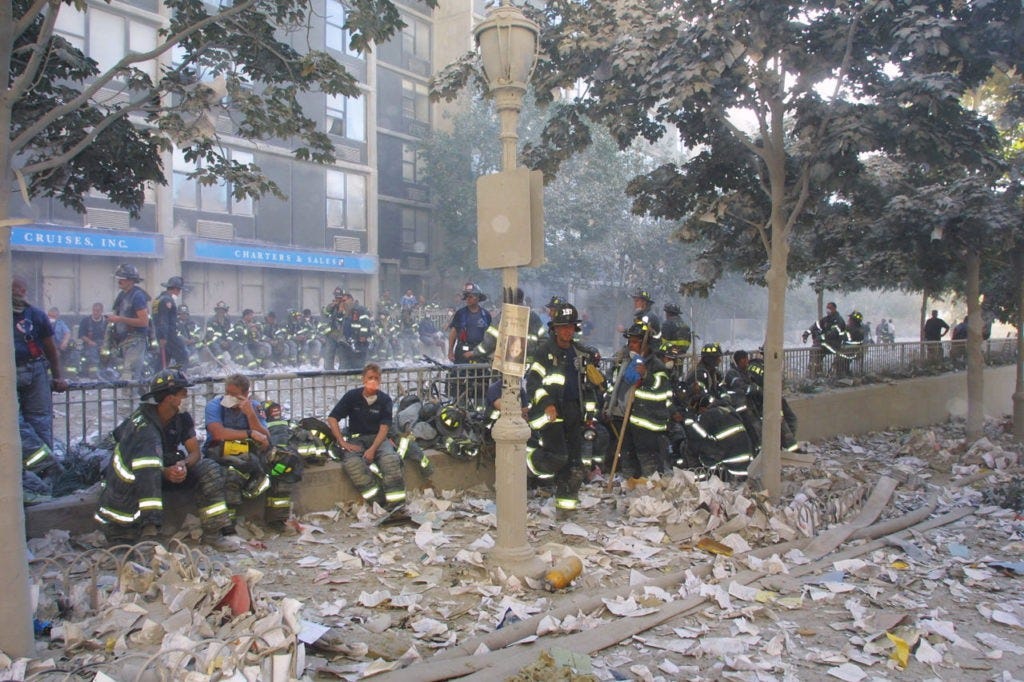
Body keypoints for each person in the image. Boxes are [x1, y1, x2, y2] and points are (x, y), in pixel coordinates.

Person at [94, 369, 236, 547]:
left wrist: (182, 465)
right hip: (131, 484)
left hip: (164, 469)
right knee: (150, 468)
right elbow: (144, 467)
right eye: (183, 393)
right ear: (170, 397)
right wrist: (165, 472)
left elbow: (195, 453)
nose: (187, 397)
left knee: (209, 469)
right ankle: (150, 534)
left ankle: (214, 534)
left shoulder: (181, 418)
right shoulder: (143, 426)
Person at [525, 304, 600, 514]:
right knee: (558, 457)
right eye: (563, 327)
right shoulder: (544, 352)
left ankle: (566, 508)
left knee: (575, 465)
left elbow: (590, 387)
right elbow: (532, 384)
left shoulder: (581, 354)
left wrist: (590, 415)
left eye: (571, 327)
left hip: (575, 413)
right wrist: (547, 403)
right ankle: (529, 464)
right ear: (555, 329)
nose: (567, 331)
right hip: (552, 414)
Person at [327, 363, 406, 509]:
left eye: (376, 378)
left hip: (379, 439)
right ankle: (378, 502)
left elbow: (384, 427)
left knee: (390, 461)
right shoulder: (352, 396)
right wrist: (342, 443)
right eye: (370, 377)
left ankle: (397, 505)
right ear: (363, 379)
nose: (373, 381)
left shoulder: (385, 400)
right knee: (353, 465)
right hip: (356, 439)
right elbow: (332, 418)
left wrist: (373, 449)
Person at [13, 276, 67, 481]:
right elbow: (51, 348)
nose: (18, 291)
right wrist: (57, 376)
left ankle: (45, 470)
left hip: (33, 372)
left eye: (20, 287)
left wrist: (58, 377)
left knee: (26, 422)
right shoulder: (35, 314)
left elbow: (51, 348)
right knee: (20, 422)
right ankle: (47, 468)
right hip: (30, 371)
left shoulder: (35, 315)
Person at [601, 321, 672, 479]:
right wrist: (609, 405)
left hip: (647, 421)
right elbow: (617, 385)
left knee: (646, 456)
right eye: (629, 341)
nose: (631, 345)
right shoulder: (626, 363)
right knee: (627, 453)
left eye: (635, 342)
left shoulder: (656, 366)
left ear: (645, 344)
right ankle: (630, 486)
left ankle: (651, 487)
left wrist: (646, 376)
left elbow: (661, 388)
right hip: (625, 418)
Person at [204, 374, 273, 527]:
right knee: (234, 470)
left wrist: (250, 415)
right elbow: (218, 433)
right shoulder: (215, 406)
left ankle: (276, 519)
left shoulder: (255, 406)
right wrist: (248, 433)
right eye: (227, 393)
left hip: (247, 451)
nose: (229, 397)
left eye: (234, 395)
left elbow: (265, 436)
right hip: (219, 450)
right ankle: (228, 522)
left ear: (245, 394)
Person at [108, 263, 151, 383]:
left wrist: (119, 319)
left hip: (135, 341)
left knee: (130, 377)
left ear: (131, 280)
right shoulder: (123, 295)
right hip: (123, 341)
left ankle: (130, 400)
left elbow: (144, 322)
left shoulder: (137, 296)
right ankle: (141, 398)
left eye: (122, 278)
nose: (119, 281)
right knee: (128, 374)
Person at [448, 283, 492, 363]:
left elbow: (490, 337)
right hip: (463, 352)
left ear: (478, 298)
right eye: (466, 297)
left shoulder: (486, 315)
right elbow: (453, 333)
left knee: (480, 374)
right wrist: (450, 351)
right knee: (462, 374)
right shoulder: (460, 314)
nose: (468, 299)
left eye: (470, 297)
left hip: (479, 352)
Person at [152, 276, 188, 370]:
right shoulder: (167, 300)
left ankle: (158, 378)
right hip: (169, 335)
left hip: (161, 334)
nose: (179, 293)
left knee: (163, 360)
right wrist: (163, 337)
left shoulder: (158, 299)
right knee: (183, 356)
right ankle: (178, 377)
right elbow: (163, 320)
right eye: (179, 290)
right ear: (175, 289)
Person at [802, 301, 845, 378]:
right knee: (816, 352)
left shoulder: (838, 320)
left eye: (830, 308)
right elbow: (816, 325)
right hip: (826, 344)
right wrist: (806, 334)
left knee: (815, 350)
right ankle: (816, 372)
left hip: (834, 345)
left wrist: (820, 338)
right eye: (827, 308)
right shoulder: (826, 319)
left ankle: (816, 372)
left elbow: (833, 333)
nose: (828, 309)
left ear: (834, 309)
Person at [78, 302, 107, 377]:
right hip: (89, 345)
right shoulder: (85, 321)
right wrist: (90, 342)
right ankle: (94, 374)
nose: (95, 312)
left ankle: (110, 372)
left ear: (102, 311)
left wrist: (105, 344)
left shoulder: (106, 321)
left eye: (98, 311)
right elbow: (81, 335)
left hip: (104, 345)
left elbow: (110, 334)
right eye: (94, 310)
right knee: (93, 354)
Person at [47, 307, 73, 372]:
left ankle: (69, 373)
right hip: (48, 347)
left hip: (59, 346)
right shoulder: (45, 324)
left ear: (57, 316)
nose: (51, 318)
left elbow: (67, 333)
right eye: (50, 316)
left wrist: (65, 341)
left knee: (73, 353)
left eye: (53, 316)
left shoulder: (60, 323)